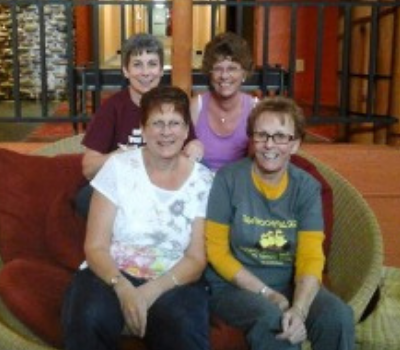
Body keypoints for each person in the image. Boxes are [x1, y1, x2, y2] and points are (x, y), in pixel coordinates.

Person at [61, 86, 214, 350]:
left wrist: (148, 292)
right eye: (157, 123)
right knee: (87, 317)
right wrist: (123, 288)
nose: (166, 132)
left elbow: (196, 259)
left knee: (185, 328)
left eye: (175, 123)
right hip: (111, 272)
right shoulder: (118, 168)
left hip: (173, 278)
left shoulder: (203, 180)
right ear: (142, 128)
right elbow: (95, 246)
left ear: (187, 130)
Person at [204, 96, 354, 350]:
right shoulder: (228, 180)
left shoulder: (307, 188)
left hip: (288, 282)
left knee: (337, 317)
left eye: (280, 136)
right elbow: (216, 251)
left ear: (295, 144)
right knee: (273, 322)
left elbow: (310, 257)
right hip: (233, 287)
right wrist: (268, 294)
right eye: (262, 135)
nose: (269, 145)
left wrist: (300, 308)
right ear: (252, 140)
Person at [76, 33, 203, 216]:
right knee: (85, 199)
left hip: (163, 184)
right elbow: (89, 169)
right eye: (137, 64)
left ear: (161, 70)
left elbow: (192, 144)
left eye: (152, 64)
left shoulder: (173, 104)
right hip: (125, 186)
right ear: (126, 70)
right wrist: (121, 156)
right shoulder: (112, 108)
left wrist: (195, 148)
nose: (145, 72)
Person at [191, 32, 257, 172]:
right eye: (218, 69)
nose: (224, 76)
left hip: (239, 184)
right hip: (201, 183)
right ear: (209, 73)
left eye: (232, 68)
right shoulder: (196, 106)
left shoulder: (256, 109)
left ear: (244, 73)